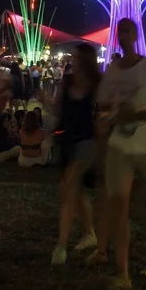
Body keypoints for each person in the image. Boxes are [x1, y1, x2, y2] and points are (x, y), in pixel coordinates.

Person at [96, 18, 146, 289]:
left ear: (136, 34)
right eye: (120, 31)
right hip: (120, 146)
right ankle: (123, 274)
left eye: (128, 31)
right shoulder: (113, 71)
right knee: (118, 205)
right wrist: (108, 116)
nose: (123, 35)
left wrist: (138, 113)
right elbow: (104, 103)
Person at [52, 43, 102, 264]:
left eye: (77, 57)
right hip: (67, 141)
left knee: (68, 187)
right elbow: (57, 107)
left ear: (86, 60)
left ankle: (61, 247)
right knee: (78, 191)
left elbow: (101, 116)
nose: (73, 60)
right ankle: (90, 234)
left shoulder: (96, 85)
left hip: (88, 143)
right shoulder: (68, 81)